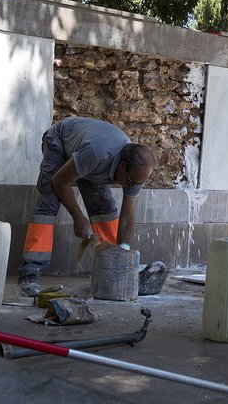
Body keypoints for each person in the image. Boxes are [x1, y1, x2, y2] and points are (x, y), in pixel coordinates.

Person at [17, 116, 155, 297]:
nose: (132, 185)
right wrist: (78, 218)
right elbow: (60, 181)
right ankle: (30, 273)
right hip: (59, 141)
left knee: (104, 209)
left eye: (137, 183)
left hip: (87, 156)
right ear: (122, 166)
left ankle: (113, 267)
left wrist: (124, 256)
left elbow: (127, 216)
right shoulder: (98, 154)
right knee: (48, 202)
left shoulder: (136, 174)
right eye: (129, 180)